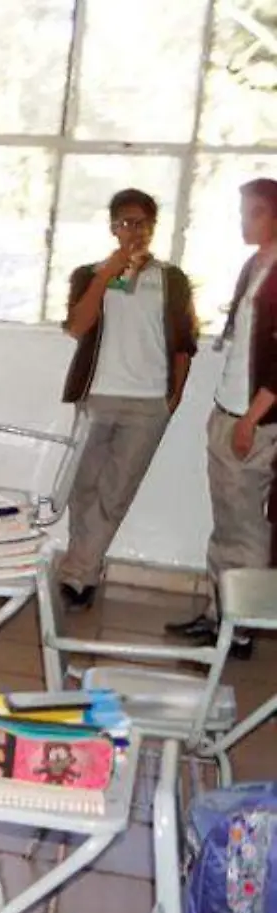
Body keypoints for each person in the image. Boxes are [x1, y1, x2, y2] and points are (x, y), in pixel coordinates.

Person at [56, 189, 197, 612]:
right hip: (96, 396)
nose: (133, 231)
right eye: (124, 222)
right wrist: (107, 274)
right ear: (112, 226)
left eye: (141, 223)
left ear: (153, 228)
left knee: (114, 494)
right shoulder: (89, 273)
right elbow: (77, 327)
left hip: (147, 404)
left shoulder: (171, 279)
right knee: (81, 491)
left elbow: (184, 344)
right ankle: (86, 569)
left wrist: (172, 400)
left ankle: (76, 575)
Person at [167, 177, 277, 657]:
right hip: (229, 409)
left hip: (252, 420)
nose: (243, 222)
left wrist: (252, 419)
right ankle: (219, 614)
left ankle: (242, 627)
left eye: (252, 212)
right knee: (226, 526)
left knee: (246, 529)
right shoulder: (257, 264)